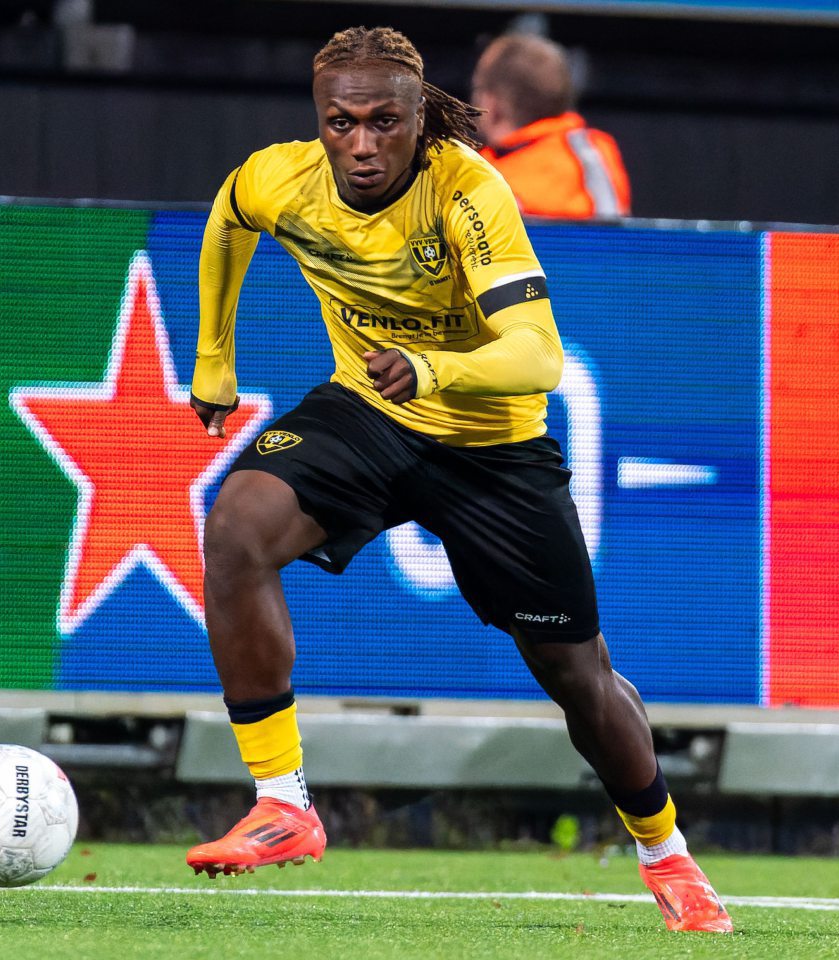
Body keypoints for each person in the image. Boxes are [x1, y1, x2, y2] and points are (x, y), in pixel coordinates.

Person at [183, 25, 731, 934]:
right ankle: (285, 804)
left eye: (384, 122)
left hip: (492, 446)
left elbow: (540, 356)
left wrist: (433, 370)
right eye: (341, 123)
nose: (361, 144)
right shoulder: (279, 176)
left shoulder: (470, 190)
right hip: (367, 410)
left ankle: (667, 855)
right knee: (236, 527)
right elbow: (229, 216)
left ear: (417, 116)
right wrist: (213, 359)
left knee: (577, 677)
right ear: (320, 122)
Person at [472, 32, 631, 220]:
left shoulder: (477, 175)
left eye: (478, 89)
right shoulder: (594, 150)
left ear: (492, 103)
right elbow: (614, 233)